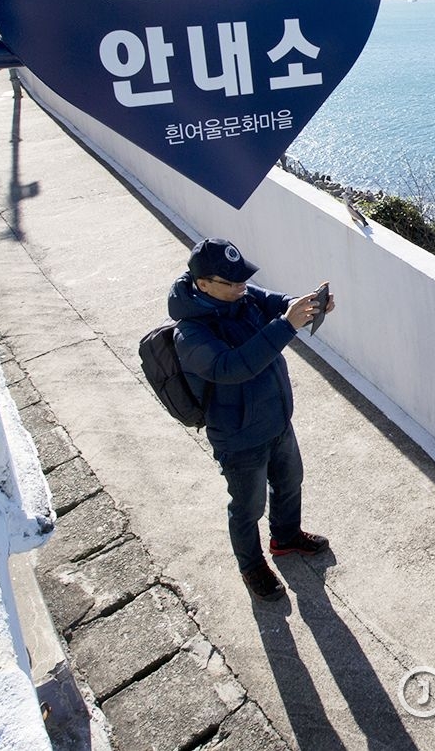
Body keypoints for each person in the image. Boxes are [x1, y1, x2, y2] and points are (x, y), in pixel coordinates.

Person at [169, 237, 334, 601]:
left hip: (276, 418)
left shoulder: (240, 295)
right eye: (232, 282)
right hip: (239, 435)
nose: (242, 287)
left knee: (291, 481)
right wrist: (286, 326)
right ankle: (252, 566)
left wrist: (304, 306)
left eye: (243, 278)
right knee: (248, 506)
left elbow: (275, 301)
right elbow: (233, 367)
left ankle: (286, 536)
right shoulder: (190, 333)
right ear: (204, 284)